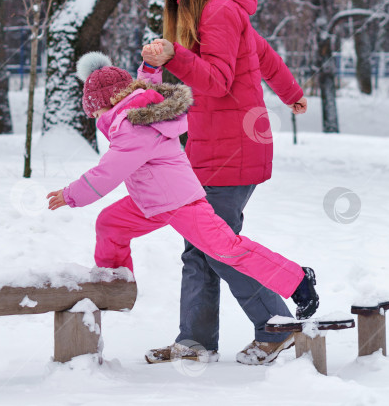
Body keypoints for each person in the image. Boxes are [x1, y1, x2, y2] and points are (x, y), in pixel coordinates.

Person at [140, 0, 311, 366]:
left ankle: (276, 325)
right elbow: (264, 54)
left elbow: (214, 81)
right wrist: (291, 94)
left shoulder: (217, 9)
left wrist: (175, 55)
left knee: (217, 245)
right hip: (210, 149)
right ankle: (195, 341)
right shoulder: (212, 9)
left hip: (231, 150)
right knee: (200, 247)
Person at [46, 52, 319, 331]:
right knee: (110, 222)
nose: (96, 119)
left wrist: (71, 194)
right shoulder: (139, 109)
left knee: (227, 249)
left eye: (96, 112)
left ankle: (297, 280)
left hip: (181, 203)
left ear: (109, 102)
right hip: (151, 202)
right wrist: (150, 67)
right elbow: (147, 88)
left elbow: (108, 172)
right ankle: (115, 282)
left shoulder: (131, 127)